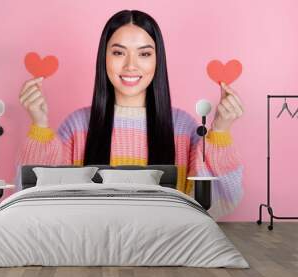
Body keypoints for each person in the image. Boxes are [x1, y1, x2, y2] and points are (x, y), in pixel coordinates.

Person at [15, 10, 244, 219]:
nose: (131, 65)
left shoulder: (182, 127)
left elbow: (218, 204)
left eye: (144, 54)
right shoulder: (78, 126)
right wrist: (40, 125)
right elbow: (37, 198)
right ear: (104, 58)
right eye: (118, 53)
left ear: (157, 60)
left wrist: (221, 132)